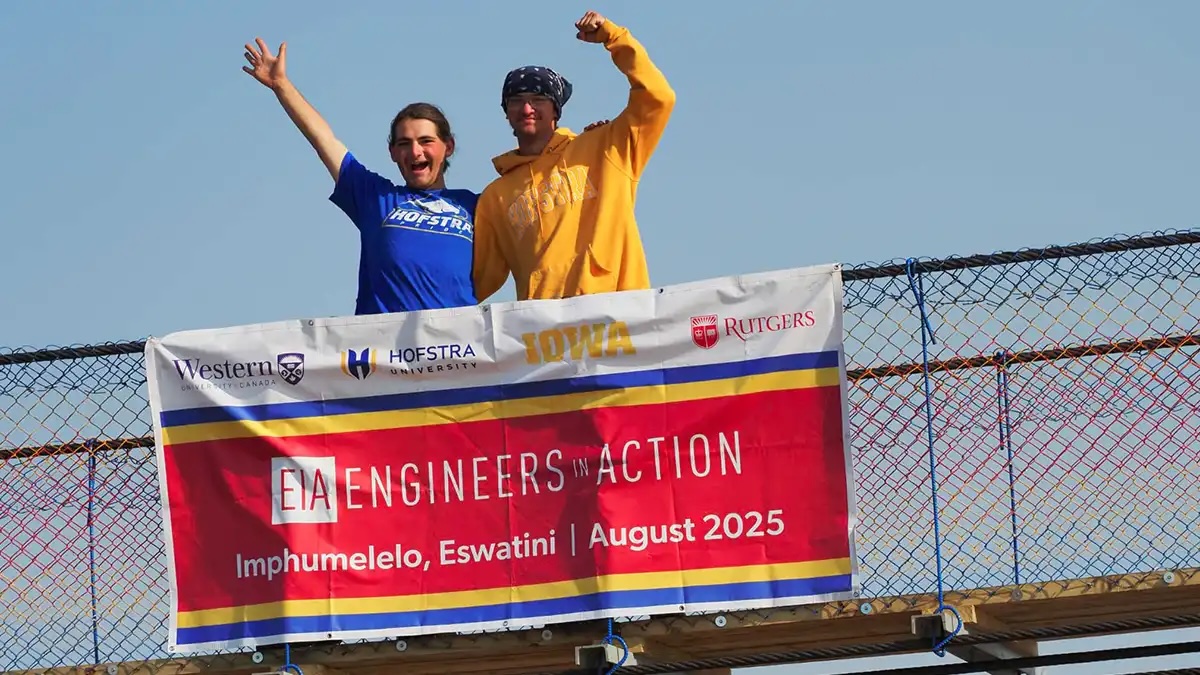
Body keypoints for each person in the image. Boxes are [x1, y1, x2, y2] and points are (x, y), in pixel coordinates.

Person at [242, 38, 478, 315]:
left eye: (426, 141)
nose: (415, 151)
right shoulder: (376, 197)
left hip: (457, 350)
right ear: (392, 152)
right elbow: (324, 140)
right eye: (404, 143)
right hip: (385, 350)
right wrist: (282, 85)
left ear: (447, 146)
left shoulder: (477, 206)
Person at [471, 10, 676, 303]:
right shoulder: (495, 197)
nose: (527, 109)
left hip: (621, 319)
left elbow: (659, 97)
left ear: (555, 110)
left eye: (538, 100)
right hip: (545, 336)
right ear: (506, 113)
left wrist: (614, 37)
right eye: (516, 101)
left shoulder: (606, 148)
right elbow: (479, 280)